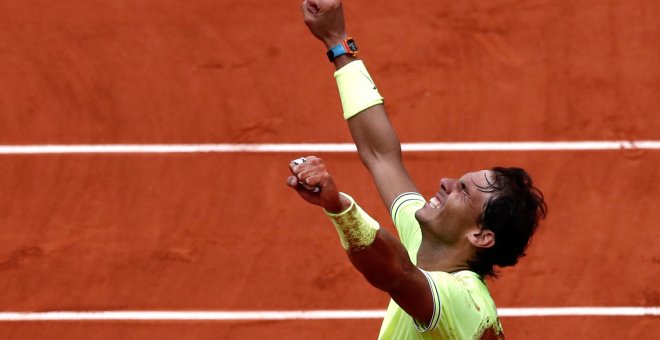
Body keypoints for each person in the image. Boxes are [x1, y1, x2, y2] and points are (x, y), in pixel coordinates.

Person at [287, 0, 547, 339]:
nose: (445, 183)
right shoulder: (429, 241)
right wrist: (338, 42)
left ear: (481, 236)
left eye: (463, 191)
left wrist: (339, 208)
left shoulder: (463, 301)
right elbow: (381, 155)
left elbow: (396, 273)